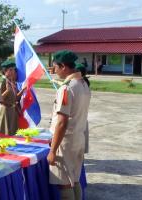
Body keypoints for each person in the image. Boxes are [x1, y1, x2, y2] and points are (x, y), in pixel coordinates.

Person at [47, 50, 91, 200]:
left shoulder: (66, 89)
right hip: (79, 138)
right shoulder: (83, 84)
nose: (54, 70)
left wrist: (52, 150)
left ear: (64, 66)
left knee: (64, 183)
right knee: (75, 180)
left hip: (66, 142)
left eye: (55, 67)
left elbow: (61, 122)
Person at [0, 60, 19, 135]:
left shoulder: (11, 81)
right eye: (10, 70)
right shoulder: (2, 82)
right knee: (4, 133)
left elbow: (14, 97)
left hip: (11, 110)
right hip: (5, 110)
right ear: (5, 71)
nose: (13, 72)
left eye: (13, 70)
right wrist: (7, 91)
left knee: (12, 133)